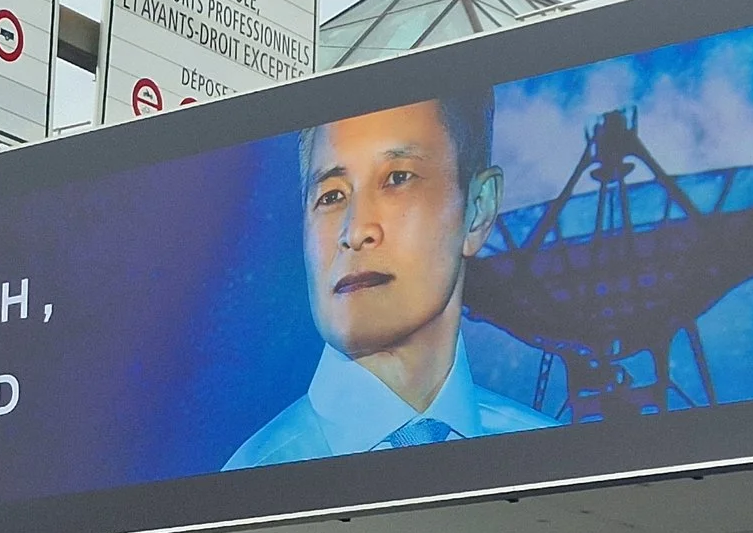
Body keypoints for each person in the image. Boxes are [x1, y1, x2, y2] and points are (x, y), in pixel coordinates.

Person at [225, 94, 555, 469]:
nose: (355, 231)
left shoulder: (551, 459)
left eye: (398, 178)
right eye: (331, 196)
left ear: (478, 208)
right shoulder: (249, 477)